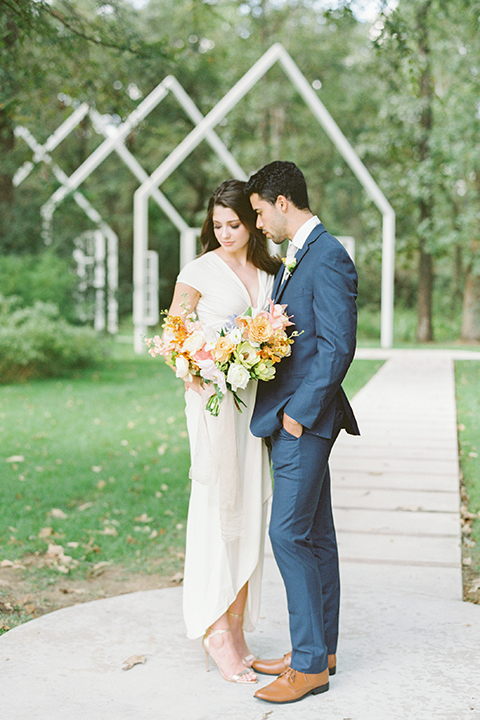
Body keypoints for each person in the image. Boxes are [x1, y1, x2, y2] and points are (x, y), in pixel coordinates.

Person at [244, 161, 360, 704]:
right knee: (314, 535)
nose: (259, 224)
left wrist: (297, 415)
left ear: (282, 202)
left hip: (304, 420)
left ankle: (309, 665)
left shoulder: (328, 254)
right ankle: (322, 649)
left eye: (261, 212)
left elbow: (338, 347)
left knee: (287, 535)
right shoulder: (303, 253)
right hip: (294, 415)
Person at [166, 179, 281, 685]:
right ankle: (214, 630)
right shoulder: (199, 270)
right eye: (217, 225)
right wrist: (199, 368)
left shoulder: (268, 271)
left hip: (254, 406)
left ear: (252, 222)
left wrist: (258, 353)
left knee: (252, 507)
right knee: (219, 506)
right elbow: (175, 333)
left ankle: (237, 629)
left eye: (233, 224)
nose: (225, 233)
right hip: (214, 405)